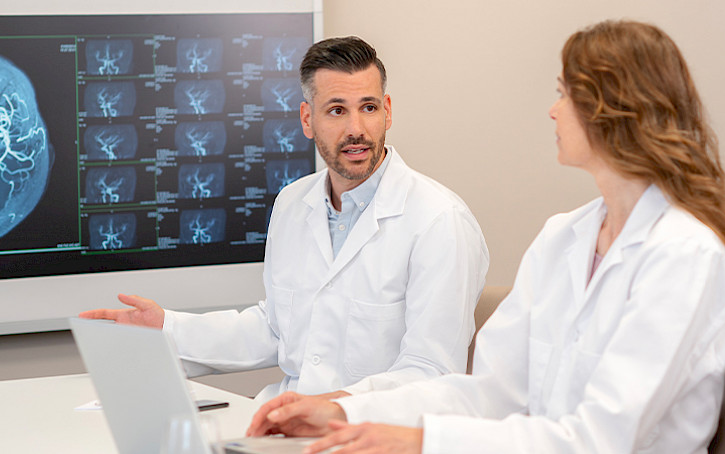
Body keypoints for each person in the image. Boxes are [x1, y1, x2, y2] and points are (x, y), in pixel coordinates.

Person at [244, 20, 725, 454]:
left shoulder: (686, 256)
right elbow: (490, 393)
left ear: (616, 111)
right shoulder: (565, 237)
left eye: (565, 94)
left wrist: (420, 441)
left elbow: (600, 440)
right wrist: (345, 412)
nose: (553, 109)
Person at [79, 36, 490, 404]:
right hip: (286, 422)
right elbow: (277, 330)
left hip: (370, 433)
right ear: (307, 120)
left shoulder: (439, 221)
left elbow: (431, 373)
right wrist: (167, 328)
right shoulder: (293, 203)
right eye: (336, 110)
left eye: (368, 108)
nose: (357, 129)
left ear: (387, 111)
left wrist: (330, 406)